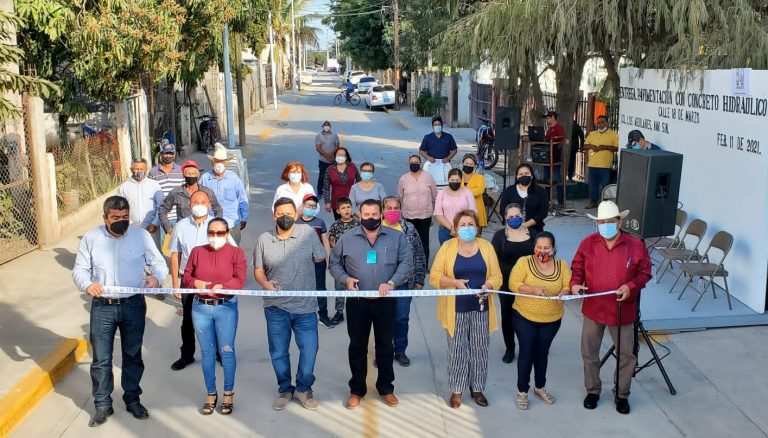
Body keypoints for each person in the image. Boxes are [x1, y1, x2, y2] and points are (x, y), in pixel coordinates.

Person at [72, 196, 168, 427]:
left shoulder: (140, 236)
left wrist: (156, 277)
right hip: (102, 307)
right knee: (101, 359)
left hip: (133, 305)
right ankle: (102, 404)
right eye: (115, 218)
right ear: (105, 218)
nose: (121, 222)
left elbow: (159, 263)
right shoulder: (92, 238)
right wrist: (87, 284)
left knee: (132, 356)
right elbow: (80, 270)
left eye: (125, 217)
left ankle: (133, 399)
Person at [329, 199, 413, 410]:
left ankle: (386, 388)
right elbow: (334, 262)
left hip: (386, 302)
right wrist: (345, 279)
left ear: (381, 214)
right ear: (360, 215)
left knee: (385, 345)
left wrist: (393, 282)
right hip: (357, 302)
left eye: (375, 214)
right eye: (367, 215)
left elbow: (407, 262)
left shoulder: (397, 238)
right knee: (357, 346)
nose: (371, 218)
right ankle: (357, 390)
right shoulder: (347, 238)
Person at [570, 200, 652, 415]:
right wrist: (575, 284)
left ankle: (622, 394)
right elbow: (577, 267)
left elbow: (645, 273)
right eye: (601, 222)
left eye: (609, 221)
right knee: (589, 352)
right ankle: (593, 390)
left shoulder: (635, 245)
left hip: (622, 309)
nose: (605, 225)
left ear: (619, 222)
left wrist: (631, 286)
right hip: (594, 307)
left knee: (627, 354)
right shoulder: (587, 243)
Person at [254, 197, 326, 411]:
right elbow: (258, 270)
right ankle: (285, 388)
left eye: (289, 212)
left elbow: (320, 257)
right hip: (276, 308)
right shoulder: (264, 239)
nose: (285, 216)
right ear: (273, 215)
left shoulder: (308, 234)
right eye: (280, 213)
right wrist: (265, 283)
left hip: (305, 308)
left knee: (310, 350)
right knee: (278, 352)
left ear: (296, 214)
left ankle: (304, 388)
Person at [429, 209, 502, 409]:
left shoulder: (486, 247)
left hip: (481, 307)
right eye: (463, 225)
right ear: (456, 228)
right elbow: (434, 276)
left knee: (480, 348)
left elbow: (497, 276)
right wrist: (454, 282)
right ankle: (457, 389)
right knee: (457, 349)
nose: (467, 228)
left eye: (471, 224)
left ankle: (477, 388)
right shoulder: (447, 247)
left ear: (477, 227)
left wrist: (488, 286)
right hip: (456, 307)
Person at [180, 217, 246, 416]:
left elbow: (239, 280)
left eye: (220, 233)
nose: (215, 237)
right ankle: (210, 394)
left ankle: (228, 393)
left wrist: (224, 287)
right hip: (200, 308)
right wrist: (195, 283)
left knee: (226, 352)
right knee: (207, 354)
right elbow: (187, 276)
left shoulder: (236, 253)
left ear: (227, 234)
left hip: (225, 308)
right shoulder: (197, 252)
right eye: (212, 233)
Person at [168, 190, 235, 371]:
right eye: (195, 201)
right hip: (189, 282)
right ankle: (187, 355)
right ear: (189, 205)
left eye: (203, 201)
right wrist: (175, 284)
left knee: (216, 318)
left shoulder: (218, 225)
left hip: (215, 282)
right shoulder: (181, 226)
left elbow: (232, 252)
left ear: (209, 204)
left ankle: (220, 353)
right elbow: (175, 255)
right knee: (188, 321)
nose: (199, 205)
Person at [509, 232, 572, 410]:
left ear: (553, 249)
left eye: (546, 248)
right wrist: (532, 289)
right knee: (526, 352)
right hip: (524, 316)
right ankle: (522, 391)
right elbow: (514, 283)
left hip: (552, 319)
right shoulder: (524, 262)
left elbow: (568, 284)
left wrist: (565, 293)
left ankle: (540, 387)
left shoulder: (561, 265)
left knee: (542, 353)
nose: (542, 251)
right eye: (538, 247)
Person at [381, 196, 427, 367]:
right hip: (380, 283)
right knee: (382, 319)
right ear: (383, 209)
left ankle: (400, 350)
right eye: (389, 208)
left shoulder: (409, 228)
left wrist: (420, 279)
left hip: (404, 283)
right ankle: (383, 352)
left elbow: (419, 253)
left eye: (396, 207)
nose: (392, 211)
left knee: (401, 318)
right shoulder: (374, 228)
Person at [491, 203, 535, 364]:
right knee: (508, 316)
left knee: (529, 316)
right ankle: (510, 348)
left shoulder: (533, 234)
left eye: (517, 216)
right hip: (506, 283)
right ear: (505, 218)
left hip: (529, 282)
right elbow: (493, 260)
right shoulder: (499, 236)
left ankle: (529, 346)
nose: (514, 219)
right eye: (511, 217)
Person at [158, 160, 223, 238]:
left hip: (204, 232)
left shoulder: (207, 192)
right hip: (183, 233)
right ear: (184, 175)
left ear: (198, 175)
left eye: (193, 173)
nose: (191, 176)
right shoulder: (176, 192)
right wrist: (168, 228)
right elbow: (163, 209)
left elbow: (217, 208)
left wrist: (217, 225)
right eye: (188, 173)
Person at [200, 144, 249, 245]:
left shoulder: (234, 179)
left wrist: (244, 218)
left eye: (222, 161)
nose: (219, 164)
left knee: (232, 254)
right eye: (217, 161)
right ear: (212, 162)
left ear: (226, 163)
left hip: (231, 225)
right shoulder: (205, 179)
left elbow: (242, 199)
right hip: (210, 226)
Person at [298, 194, 333, 328]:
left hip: (319, 261)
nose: (311, 208)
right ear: (303, 205)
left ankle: (323, 315)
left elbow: (325, 242)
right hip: (301, 262)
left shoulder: (320, 222)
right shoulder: (296, 223)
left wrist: (328, 259)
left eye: (313, 206)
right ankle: (302, 315)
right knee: (302, 287)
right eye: (308, 205)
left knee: (320, 288)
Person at [397, 154, 437, 262]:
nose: (414, 164)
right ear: (409, 164)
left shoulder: (428, 177)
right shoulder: (403, 179)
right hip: (409, 216)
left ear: (420, 163)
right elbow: (400, 197)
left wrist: (432, 209)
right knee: (410, 241)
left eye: (416, 162)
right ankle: (411, 265)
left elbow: (434, 195)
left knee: (424, 241)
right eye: (411, 162)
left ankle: (423, 265)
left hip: (425, 216)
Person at [326, 197, 359, 325]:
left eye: (348, 207)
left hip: (355, 261)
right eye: (343, 208)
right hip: (340, 261)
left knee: (355, 285)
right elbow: (331, 240)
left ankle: (356, 311)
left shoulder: (357, 224)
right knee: (339, 287)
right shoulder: (335, 225)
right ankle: (339, 311)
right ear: (338, 211)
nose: (346, 210)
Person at [117, 159, 164, 243]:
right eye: (136, 169)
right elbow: (119, 208)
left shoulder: (154, 185)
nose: (139, 171)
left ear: (146, 170)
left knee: (154, 254)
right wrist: (129, 224)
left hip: (151, 229)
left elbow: (161, 206)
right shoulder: (124, 187)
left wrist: (155, 223)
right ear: (131, 169)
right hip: (131, 230)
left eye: (141, 169)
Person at [148, 142, 184, 248]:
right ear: (161, 154)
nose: (168, 156)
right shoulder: (153, 172)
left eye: (170, 153)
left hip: (179, 216)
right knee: (165, 249)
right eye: (166, 153)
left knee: (180, 248)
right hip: (162, 217)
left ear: (174, 154)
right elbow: (150, 195)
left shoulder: (181, 170)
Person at [499, 163, 549, 234]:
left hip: (535, 230)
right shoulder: (509, 191)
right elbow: (503, 210)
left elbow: (543, 212)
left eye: (526, 173)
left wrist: (526, 225)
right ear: (517, 176)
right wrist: (514, 225)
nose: (524, 176)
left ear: (531, 175)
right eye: (521, 174)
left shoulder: (541, 191)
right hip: (512, 229)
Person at [583, 115, 619, 209]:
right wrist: (592, 147)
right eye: (598, 122)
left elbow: (616, 148)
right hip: (592, 164)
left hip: (605, 165)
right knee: (592, 185)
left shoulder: (613, 134)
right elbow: (585, 146)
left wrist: (605, 147)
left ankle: (606, 204)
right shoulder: (592, 134)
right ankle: (593, 202)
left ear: (607, 123)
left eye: (602, 122)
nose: (600, 124)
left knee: (605, 185)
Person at [434, 168, 477, 245]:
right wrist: (452, 228)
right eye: (452, 180)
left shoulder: (467, 192)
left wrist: (461, 227)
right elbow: (438, 214)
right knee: (447, 255)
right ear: (448, 180)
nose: (454, 182)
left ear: (461, 180)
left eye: (457, 180)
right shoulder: (441, 193)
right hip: (445, 229)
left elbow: (473, 212)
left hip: (464, 229)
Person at [322, 147, 360, 221]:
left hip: (351, 200)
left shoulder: (352, 166)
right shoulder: (330, 169)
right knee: (339, 223)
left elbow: (359, 180)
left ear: (346, 157)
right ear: (335, 156)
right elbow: (326, 187)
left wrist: (357, 194)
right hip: (336, 201)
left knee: (353, 223)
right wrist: (327, 202)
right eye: (338, 154)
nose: (340, 156)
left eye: (342, 155)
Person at [543, 110, 566, 204]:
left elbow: (562, 140)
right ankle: (546, 199)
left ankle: (561, 201)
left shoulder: (558, 127)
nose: (547, 120)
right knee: (546, 179)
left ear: (553, 117)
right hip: (547, 157)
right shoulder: (549, 129)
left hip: (555, 157)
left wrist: (556, 149)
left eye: (548, 118)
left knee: (557, 179)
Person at [460, 154, 487, 228]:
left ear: (474, 166)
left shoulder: (480, 178)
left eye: (471, 164)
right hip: (461, 211)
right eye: (466, 163)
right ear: (462, 163)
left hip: (476, 211)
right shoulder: (458, 177)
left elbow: (479, 191)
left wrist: (462, 192)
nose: (468, 165)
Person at [315, 121, 341, 194]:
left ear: (330, 127)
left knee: (334, 177)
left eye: (328, 125)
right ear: (322, 126)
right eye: (325, 125)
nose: (326, 127)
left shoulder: (335, 135)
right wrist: (326, 155)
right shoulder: (319, 136)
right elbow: (318, 147)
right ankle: (320, 192)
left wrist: (331, 154)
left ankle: (334, 192)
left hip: (333, 161)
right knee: (322, 176)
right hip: (323, 160)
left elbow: (337, 146)